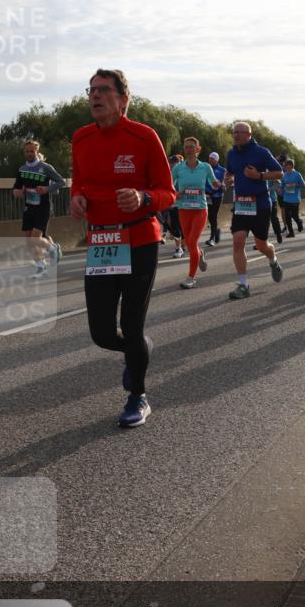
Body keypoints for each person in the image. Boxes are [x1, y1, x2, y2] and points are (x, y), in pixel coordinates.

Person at [71, 69, 176, 428]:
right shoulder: (81, 138)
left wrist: (143, 197)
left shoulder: (144, 137)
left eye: (103, 91)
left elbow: (167, 192)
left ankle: (138, 396)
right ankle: (137, 349)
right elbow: (79, 185)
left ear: (123, 99)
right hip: (101, 242)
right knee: (101, 333)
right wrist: (77, 199)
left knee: (131, 324)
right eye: (91, 91)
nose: (95, 97)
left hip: (139, 240)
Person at [224, 122, 284, 299]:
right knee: (238, 240)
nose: (236, 135)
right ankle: (243, 285)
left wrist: (259, 176)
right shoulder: (231, 153)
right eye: (234, 132)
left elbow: (279, 173)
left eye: (240, 132)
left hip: (261, 205)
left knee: (261, 245)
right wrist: (228, 179)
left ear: (249, 135)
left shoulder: (261, 152)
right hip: (241, 205)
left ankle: (273, 259)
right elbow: (230, 172)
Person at [12, 140, 66, 277]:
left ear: (37, 152)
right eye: (27, 151)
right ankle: (41, 267)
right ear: (24, 153)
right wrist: (16, 192)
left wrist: (47, 188)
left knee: (36, 238)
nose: (29, 153)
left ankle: (53, 248)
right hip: (29, 207)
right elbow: (17, 186)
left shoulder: (45, 167)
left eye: (32, 151)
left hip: (43, 206)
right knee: (29, 241)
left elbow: (61, 182)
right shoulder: (22, 169)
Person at [172, 138, 220, 288]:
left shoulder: (205, 167)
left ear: (198, 149)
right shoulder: (178, 168)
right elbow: (169, 186)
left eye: (192, 147)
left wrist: (221, 184)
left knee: (192, 242)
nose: (189, 150)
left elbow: (214, 183)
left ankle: (191, 277)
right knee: (189, 243)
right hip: (184, 209)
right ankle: (199, 253)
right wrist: (176, 193)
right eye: (186, 147)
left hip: (200, 209)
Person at [165, 154, 185, 258]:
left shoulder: (183, 173)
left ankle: (181, 247)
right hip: (172, 204)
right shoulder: (168, 174)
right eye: (170, 163)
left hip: (183, 204)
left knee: (181, 226)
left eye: (173, 163)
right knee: (173, 226)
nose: (171, 165)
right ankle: (179, 247)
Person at [205, 151, 226, 246]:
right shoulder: (205, 168)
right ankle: (216, 230)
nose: (210, 160)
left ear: (217, 160)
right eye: (209, 158)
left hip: (217, 196)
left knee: (213, 215)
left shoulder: (222, 170)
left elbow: (224, 184)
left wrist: (220, 189)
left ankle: (212, 238)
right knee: (209, 216)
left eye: (212, 159)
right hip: (207, 196)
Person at [280, 159, 305, 236]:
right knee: (287, 217)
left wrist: (295, 185)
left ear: (292, 166)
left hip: (295, 199)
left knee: (294, 216)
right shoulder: (284, 175)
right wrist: (280, 190)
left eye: (289, 166)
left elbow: (302, 184)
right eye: (286, 166)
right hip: (286, 198)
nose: (287, 167)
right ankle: (291, 233)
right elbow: (282, 185)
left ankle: (299, 222)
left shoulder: (297, 174)